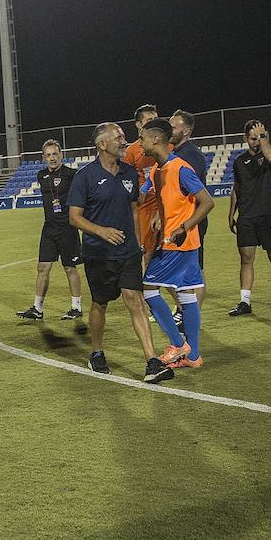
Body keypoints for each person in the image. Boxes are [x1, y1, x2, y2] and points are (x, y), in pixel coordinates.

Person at [68, 123, 173, 383]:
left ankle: (151, 362)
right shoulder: (85, 176)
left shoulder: (128, 172)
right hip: (98, 254)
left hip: (127, 252)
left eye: (123, 136)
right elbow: (74, 217)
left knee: (135, 299)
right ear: (102, 144)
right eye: (118, 137)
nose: (124, 141)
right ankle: (96, 353)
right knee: (100, 303)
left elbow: (134, 209)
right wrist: (101, 231)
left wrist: (137, 244)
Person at [137, 119, 215, 370]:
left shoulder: (181, 168)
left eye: (142, 137)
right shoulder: (155, 170)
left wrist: (185, 226)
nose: (139, 142)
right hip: (176, 242)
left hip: (178, 242)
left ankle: (178, 344)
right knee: (185, 294)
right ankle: (193, 356)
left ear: (156, 139)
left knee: (148, 288)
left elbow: (207, 201)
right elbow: (141, 197)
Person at [16, 139, 83, 321]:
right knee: (42, 267)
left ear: (61, 155)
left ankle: (76, 307)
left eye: (55, 154)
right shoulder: (41, 175)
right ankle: (37, 309)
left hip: (67, 227)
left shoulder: (72, 174)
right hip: (49, 228)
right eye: (48, 155)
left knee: (69, 268)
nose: (52, 158)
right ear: (43, 158)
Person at [228, 119, 271, 315]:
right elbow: (237, 188)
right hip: (247, 216)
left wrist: (263, 139)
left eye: (260, 137)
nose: (256, 142)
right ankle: (245, 302)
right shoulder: (239, 162)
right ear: (246, 139)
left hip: (270, 213)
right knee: (246, 259)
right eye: (253, 138)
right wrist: (231, 213)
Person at [168, 109, 209, 315]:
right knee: (179, 269)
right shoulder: (177, 153)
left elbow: (189, 192)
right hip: (179, 219)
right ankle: (185, 312)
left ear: (186, 131)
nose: (169, 130)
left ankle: (193, 317)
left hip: (191, 220)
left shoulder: (192, 155)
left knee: (194, 270)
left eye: (173, 127)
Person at [123, 105, 160, 262]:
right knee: (148, 253)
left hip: (167, 204)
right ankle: (150, 278)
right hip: (145, 207)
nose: (154, 123)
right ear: (138, 125)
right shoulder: (131, 152)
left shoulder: (168, 145)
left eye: (155, 119)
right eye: (149, 120)